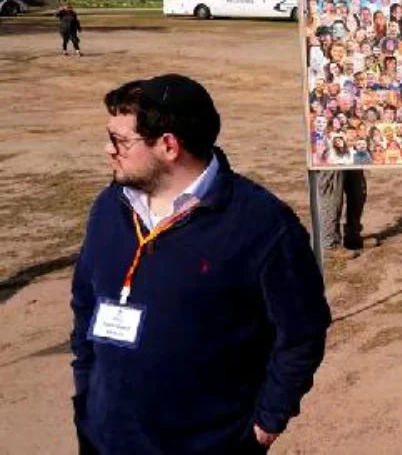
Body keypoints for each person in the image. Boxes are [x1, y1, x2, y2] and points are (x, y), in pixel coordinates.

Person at [71, 74, 331, 454]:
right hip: (105, 436)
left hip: (209, 443)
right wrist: (85, 389)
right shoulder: (110, 207)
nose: (108, 150)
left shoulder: (262, 225)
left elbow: (302, 333)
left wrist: (265, 424)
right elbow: (84, 304)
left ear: (169, 145)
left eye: (120, 141)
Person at [316, 169, 367, 256]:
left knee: (358, 192)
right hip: (331, 162)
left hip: (353, 160)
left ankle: (352, 236)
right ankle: (331, 245)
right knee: (332, 198)